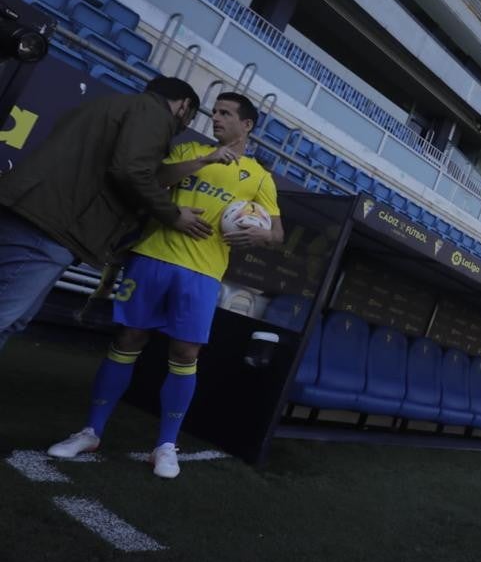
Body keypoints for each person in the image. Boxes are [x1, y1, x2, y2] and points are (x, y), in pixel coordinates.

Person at [47, 93, 284, 479]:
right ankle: (91, 431)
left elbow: (276, 234)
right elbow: (153, 180)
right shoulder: (190, 148)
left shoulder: (259, 177)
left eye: (226, 114)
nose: (216, 118)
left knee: (186, 351)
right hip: (152, 258)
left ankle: (166, 445)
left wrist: (259, 238)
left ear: (248, 125)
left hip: (203, 273)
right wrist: (204, 160)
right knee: (128, 339)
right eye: (215, 112)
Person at [0, 76, 207, 351]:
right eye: (191, 116)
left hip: (39, 218)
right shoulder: (153, 114)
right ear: (184, 105)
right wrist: (173, 214)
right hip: (48, 227)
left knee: (16, 320)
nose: (187, 124)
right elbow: (131, 170)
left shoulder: (112, 104)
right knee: (6, 316)